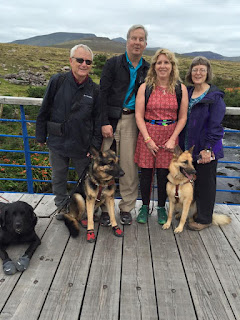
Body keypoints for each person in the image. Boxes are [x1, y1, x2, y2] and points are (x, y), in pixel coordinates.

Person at [36, 44, 102, 218]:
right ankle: (62, 206)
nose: (84, 64)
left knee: (86, 180)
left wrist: (94, 146)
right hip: (58, 140)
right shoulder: (57, 81)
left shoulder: (95, 90)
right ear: (71, 61)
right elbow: (45, 108)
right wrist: (40, 134)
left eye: (88, 61)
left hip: (82, 144)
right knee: (59, 177)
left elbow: (98, 120)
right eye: (79, 60)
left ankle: (87, 209)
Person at [99, 24, 149, 226]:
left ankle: (127, 208)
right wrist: (103, 121)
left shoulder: (148, 68)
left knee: (128, 164)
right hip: (110, 119)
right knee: (104, 165)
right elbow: (102, 94)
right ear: (127, 41)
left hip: (132, 121)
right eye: (134, 38)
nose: (137, 42)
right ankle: (103, 207)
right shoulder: (113, 64)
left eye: (141, 39)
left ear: (145, 44)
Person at [134, 48, 188, 224]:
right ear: (154, 66)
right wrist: (148, 139)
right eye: (159, 62)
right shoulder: (145, 87)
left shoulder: (181, 89)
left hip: (169, 136)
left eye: (166, 62)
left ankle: (161, 208)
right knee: (146, 173)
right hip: (148, 134)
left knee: (165, 173)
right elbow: (138, 115)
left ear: (172, 66)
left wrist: (173, 138)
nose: (163, 66)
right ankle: (144, 207)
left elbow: (183, 117)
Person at [179, 56, 226, 231]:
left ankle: (205, 218)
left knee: (206, 183)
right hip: (189, 148)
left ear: (207, 73)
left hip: (206, 148)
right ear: (190, 73)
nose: (198, 73)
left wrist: (208, 149)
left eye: (202, 70)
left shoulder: (214, 96)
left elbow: (216, 126)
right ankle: (192, 212)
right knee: (192, 182)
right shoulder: (188, 92)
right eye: (195, 69)